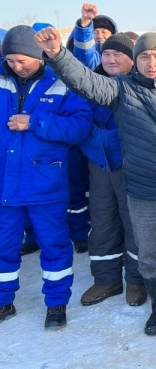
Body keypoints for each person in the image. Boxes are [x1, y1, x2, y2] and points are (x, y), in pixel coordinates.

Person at [35, 27, 156, 337]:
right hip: (142, 192)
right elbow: (86, 82)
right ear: (136, 61)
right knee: (148, 256)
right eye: (144, 56)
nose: (151, 62)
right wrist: (57, 54)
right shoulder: (122, 90)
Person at [0, 25, 92, 329]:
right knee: (3, 246)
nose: (17, 66)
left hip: (45, 183)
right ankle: (3, 301)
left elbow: (79, 127)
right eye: (10, 60)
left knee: (54, 245)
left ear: (39, 55)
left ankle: (56, 304)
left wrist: (35, 122)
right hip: (5, 185)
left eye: (23, 60)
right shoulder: (2, 81)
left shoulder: (63, 82)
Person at [78, 34, 147, 307]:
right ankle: (106, 279)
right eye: (106, 54)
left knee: (135, 224)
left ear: (133, 59)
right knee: (103, 223)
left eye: (117, 54)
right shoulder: (90, 85)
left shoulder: (140, 85)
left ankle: (137, 280)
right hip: (98, 164)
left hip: (131, 164)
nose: (110, 59)